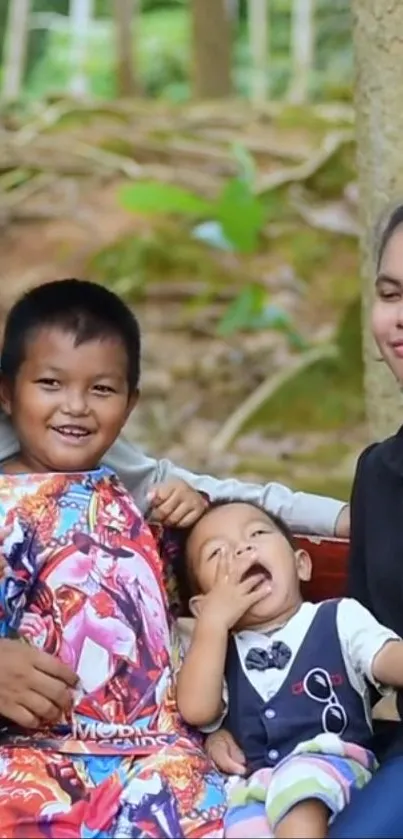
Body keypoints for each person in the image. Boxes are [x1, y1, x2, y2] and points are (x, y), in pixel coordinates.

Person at [0, 278, 226, 838]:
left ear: (130, 404)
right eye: (50, 383)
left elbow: (173, 606)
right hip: (34, 759)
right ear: (6, 393)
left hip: (161, 760)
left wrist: (194, 518)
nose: (75, 406)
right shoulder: (6, 505)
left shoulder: (134, 499)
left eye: (102, 389)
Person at [206, 203, 403, 839]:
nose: (399, 318)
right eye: (390, 293)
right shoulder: (381, 474)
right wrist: (240, 726)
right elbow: (362, 660)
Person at [176, 499, 403, 839]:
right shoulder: (217, 652)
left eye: (257, 533)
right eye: (217, 552)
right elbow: (196, 709)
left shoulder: (339, 617)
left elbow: (386, 658)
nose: (242, 549)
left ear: (301, 565)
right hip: (259, 785)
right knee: (239, 827)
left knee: (300, 796)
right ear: (202, 605)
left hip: (333, 766)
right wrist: (212, 625)